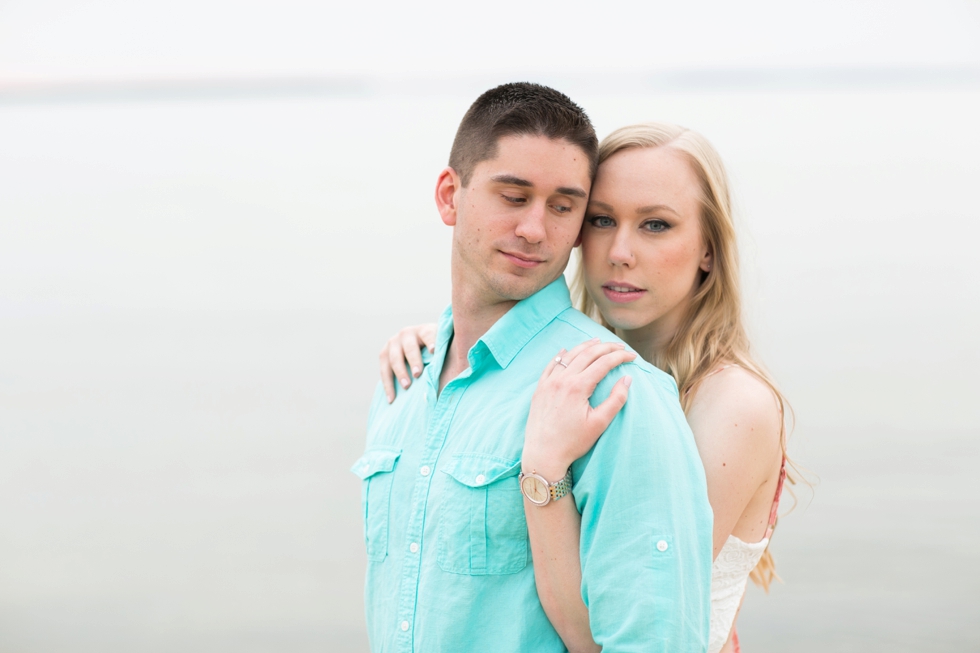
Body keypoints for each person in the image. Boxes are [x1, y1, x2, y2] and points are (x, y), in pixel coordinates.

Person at [379, 122, 792, 653]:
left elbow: (596, 632)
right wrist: (454, 344)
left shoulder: (734, 405)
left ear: (708, 249)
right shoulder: (587, 366)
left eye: (656, 225)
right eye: (601, 220)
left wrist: (544, 473)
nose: (619, 251)